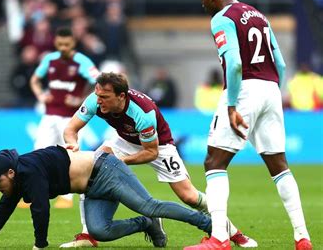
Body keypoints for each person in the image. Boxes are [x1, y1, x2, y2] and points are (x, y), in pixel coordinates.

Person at [61, 72, 256, 248]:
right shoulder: (95, 99)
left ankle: (234, 233)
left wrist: (121, 161)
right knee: (90, 170)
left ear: (121, 96)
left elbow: (151, 152)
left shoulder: (143, 113)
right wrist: (72, 144)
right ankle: (87, 235)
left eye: (104, 97)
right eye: (98, 96)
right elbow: (70, 130)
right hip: (124, 140)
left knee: (189, 196)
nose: (99, 101)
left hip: (159, 146)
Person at [186, 0, 313, 249]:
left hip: (243, 89)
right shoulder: (258, 15)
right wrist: (271, 96)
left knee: (214, 162)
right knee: (279, 165)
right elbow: (282, 64)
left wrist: (233, 105)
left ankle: (219, 238)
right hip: (270, 89)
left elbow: (233, 64)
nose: (202, 5)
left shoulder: (221, 18)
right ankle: (303, 237)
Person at [0, 146, 213, 249]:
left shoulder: (28, 171)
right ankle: (145, 223)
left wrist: (39, 245)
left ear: (9, 173)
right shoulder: (15, 180)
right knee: (99, 231)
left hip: (107, 170)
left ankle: (209, 223)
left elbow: (40, 209)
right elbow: (2, 211)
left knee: (149, 204)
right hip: (91, 189)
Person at [29, 26, 99, 208]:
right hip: (49, 115)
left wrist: (81, 99)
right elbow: (34, 80)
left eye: (66, 44)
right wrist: (40, 95)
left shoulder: (83, 62)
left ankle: (67, 197)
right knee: (38, 153)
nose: (63, 48)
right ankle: (34, 193)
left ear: (73, 43)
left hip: (71, 119)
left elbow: (99, 82)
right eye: (59, 44)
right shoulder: (50, 60)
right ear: (55, 43)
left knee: (69, 156)